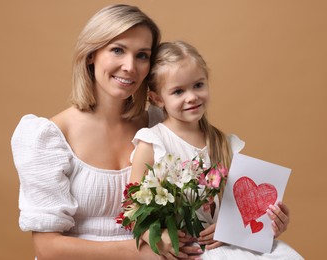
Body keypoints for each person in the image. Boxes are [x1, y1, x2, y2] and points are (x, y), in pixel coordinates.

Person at [11, 4, 200, 260]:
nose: (130, 66)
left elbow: (203, 195)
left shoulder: (161, 124)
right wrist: (143, 251)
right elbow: (47, 249)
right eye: (117, 50)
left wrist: (265, 223)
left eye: (142, 55)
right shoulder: (49, 137)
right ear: (91, 54)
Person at [129, 41, 304, 259]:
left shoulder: (225, 144)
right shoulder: (153, 143)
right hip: (185, 251)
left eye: (198, 85)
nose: (191, 96)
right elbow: (132, 210)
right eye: (178, 91)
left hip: (227, 247)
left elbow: (243, 209)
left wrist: (271, 222)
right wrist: (157, 237)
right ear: (157, 98)